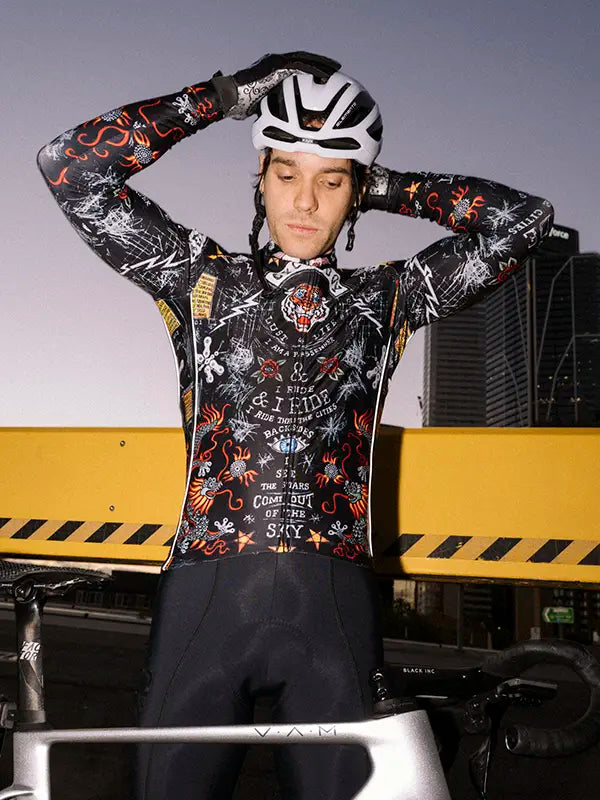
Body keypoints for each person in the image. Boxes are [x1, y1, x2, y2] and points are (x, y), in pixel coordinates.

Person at [36, 52, 554, 800]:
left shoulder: (390, 298)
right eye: (287, 174)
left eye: (331, 182)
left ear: (353, 194)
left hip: (333, 621)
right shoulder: (198, 278)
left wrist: (382, 185)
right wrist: (222, 97)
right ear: (260, 176)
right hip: (202, 610)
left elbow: (524, 222)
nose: (305, 201)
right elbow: (70, 168)